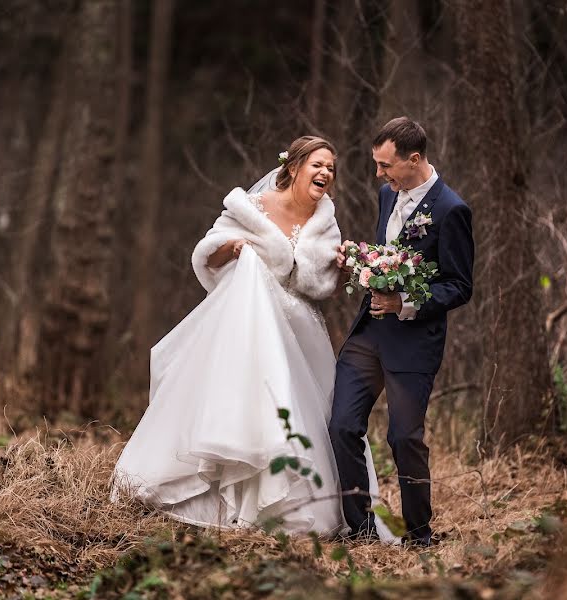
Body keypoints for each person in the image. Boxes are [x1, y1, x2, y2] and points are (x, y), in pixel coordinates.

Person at [111, 136, 393, 538]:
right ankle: (225, 497)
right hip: (251, 327)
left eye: (331, 167)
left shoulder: (325, 220)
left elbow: (323, 283)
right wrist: (233, 247)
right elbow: (208, 254)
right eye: (317, 164)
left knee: (313, 413)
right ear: (294, 167)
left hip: (302, 333)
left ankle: (305, 506)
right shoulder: (253, 207)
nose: (325, 173)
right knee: (251, 402)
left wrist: (344, 267)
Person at [330, 117, 474, 545]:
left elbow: (459, 285)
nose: (379, 174)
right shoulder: (385, 195)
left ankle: (419, 533)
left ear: (414, 159)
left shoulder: (452, 210)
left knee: (404, 437)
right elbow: (388, 257)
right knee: (341, 425)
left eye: (385, 165)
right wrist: (359, 262)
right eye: (377, 164)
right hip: (369, 333)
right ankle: (360, 528)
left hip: (414, 343)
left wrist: (405, 303)